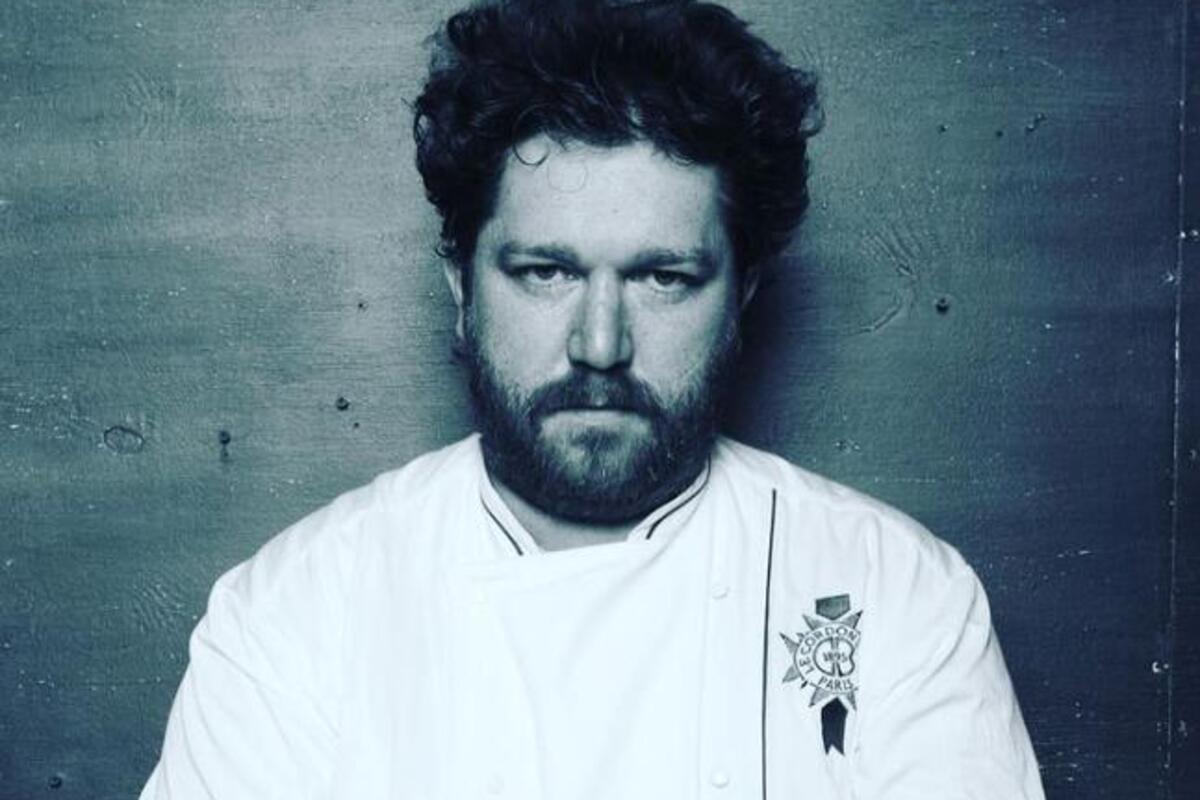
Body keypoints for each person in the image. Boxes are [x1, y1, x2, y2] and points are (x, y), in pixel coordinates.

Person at [140, 1, 1045, 798]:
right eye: (546, 272)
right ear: (461, 285)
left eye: (663, 278)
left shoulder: (895, 597)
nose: (600, 345)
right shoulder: (296, 614)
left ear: (743, 293)